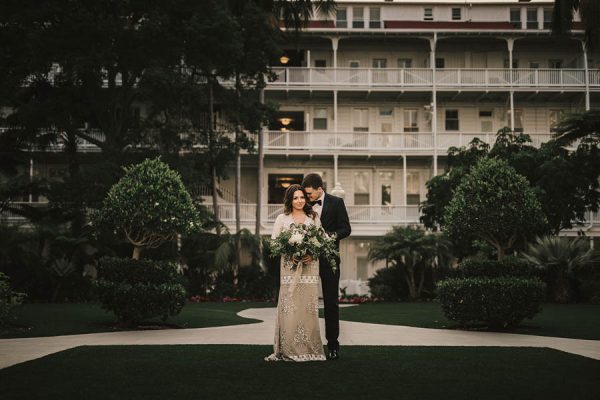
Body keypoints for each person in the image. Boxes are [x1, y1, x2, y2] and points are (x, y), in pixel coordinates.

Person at [265, 184, 326, 362]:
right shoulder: (282, 219)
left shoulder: (313, 217)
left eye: (302, 197)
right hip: (289, 269)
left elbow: (321, 241)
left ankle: (311, 349)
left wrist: (311, 253)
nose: (299, 201)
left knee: (308, 309)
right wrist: (290, 253)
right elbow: (275, 244)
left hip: (310, 268)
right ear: (290, 200)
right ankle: (288, 349)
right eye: (295, 198)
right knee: (289, 309)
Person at [302, 173, 351, 360]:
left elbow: (346, 229)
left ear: (319, 189)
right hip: (308, 260)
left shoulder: (337, 203)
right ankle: (305, 343)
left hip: (330, 260)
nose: (307, 198)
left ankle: (333, 345)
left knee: (331, 303)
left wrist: (330, 236)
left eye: (310, 194)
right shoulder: (304, 205)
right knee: (305, 303)